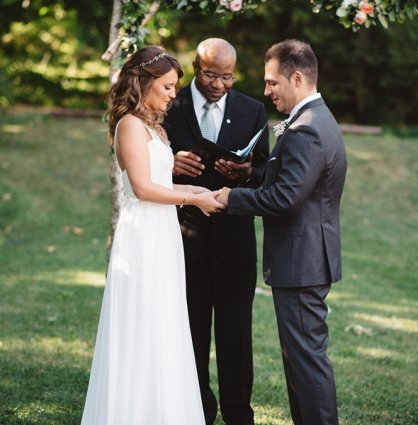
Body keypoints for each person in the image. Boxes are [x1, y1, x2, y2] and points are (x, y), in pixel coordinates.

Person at [80, 45, 225, 425]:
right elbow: (143, 189)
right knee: (143, 322)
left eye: (175, 87)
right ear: (142, 83)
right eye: (167, 86)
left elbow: (163, 181)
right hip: (143, 235)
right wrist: (191, 201)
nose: (173, 94)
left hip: (163, 233)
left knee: (164, 321)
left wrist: (202, 193)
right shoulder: (129, 124)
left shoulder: (154, 127)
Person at [217, 39, 347, 425]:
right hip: (305, 259)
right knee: (301, 360)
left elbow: (285, 199)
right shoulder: (316, 118)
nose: (266, 91)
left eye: (273, 82)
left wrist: (230, 198)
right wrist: (251, 175)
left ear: (296, 77)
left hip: (302, 262)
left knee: (307, 362)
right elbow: (290, 184)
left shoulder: (306, 128)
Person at [163, 38, 269, 425]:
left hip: (235, 244)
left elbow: (264, 174)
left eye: (228, 77)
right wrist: (170, 165)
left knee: (236, 336)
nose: (219, 84)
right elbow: (148, 163)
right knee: (189, 332)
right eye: (210, 74)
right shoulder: (169, 105)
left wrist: (246, 174)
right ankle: (197, 411)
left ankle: (239, 414)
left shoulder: (252, 110)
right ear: (194, 65)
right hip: (183, 240)